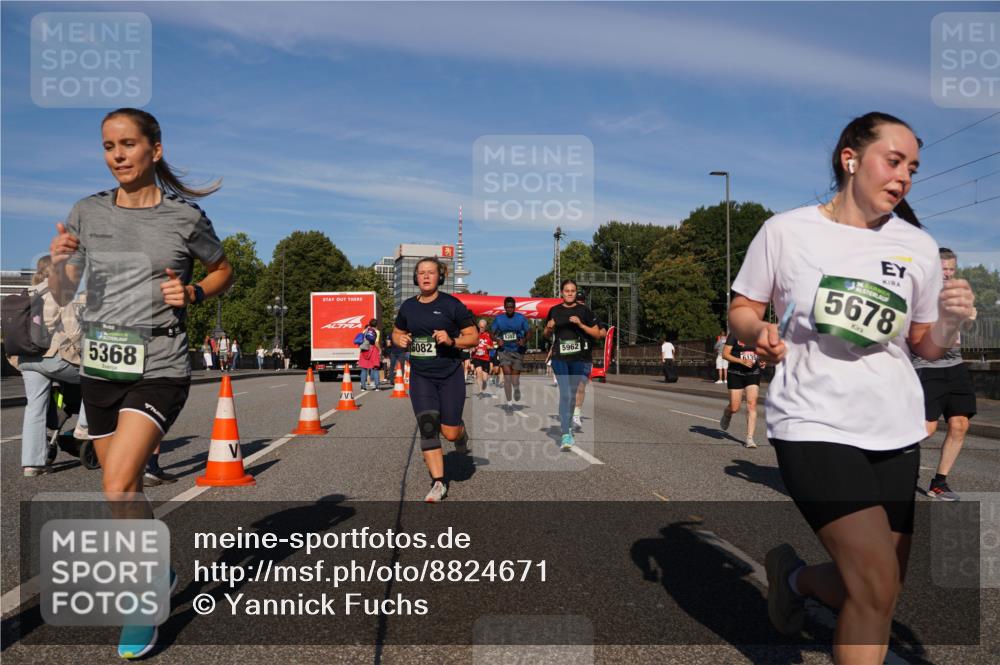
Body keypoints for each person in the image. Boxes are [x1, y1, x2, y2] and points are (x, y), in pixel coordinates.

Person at [728, 112, 974, 664]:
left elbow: (922, 345)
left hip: (892, 425)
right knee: (874, 585)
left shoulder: (916, 245)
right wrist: (759, 331)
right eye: (894, 161)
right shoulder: (786, 230)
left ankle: (796, 582)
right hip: (812, 420)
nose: (904, 176)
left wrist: (951, 323)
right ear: (851, 159)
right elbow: (743, 307)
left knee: (881, 589)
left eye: (912, 167)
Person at [48, 107, 233, 659]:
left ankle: (143, 599)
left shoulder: (184, 218)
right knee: (120, 492)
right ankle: (160, 569)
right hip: (101, 363)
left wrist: (194, 293)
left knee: (117, 482)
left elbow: (222, 269)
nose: (117, 155)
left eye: (128, 144)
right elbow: (61, 293)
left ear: (155, 148)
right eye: (108, 146)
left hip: (160, 362)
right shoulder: (84, 212)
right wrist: (59, 263)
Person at [392, 257, 476, 502]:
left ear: (440, 276)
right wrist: (400, 340)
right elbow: (396, 332)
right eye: (421, 273)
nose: (426, 276)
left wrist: (452, 341)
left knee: (449, 433)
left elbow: (473, 337)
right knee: (428, 425)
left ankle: (460, 434)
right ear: (415, 278)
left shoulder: (452, 305)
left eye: (431, 272)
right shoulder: (408, 307)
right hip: (421, 375)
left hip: (449, 374)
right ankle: (438, 483)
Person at [10, 256, 90, 476]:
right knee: (95, 380)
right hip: (53, 359)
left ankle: (32, 464)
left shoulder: (26, 293)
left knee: (34, 408)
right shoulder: (60, 292)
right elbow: (74, 333)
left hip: (27, 360)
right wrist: (87, 357)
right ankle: (84, 428)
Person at [912, 247, 978, 501]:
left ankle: (939, 483)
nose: (947, 274)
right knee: (926, 429)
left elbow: (969, 324)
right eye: (943, 269)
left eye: (951, 269)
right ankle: (898, 470)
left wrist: (969, 316)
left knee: (960, 424)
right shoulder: (921, 294)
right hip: (927, 364)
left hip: (955, 364)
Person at [544, 279, 603, 450]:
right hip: (560, 357)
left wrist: (581, 324)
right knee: (565, 394)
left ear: (576, 292)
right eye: (567, 290)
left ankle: (568, 426)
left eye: (573, 290)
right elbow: (546, 335)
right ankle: (565, 434)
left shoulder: (584, 311)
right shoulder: (554, 310)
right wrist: (548, 327)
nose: (570, 293)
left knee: (572, 393)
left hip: (578, 358)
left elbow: (598, 334)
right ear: (561, 292)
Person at [718, 330, 764, 448]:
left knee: (752, 404)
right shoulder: (734, 335)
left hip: (753, 372)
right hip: (735, 373)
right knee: (735, 406)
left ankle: (749, 438)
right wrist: (741, 361)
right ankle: (728, 413)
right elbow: (725, 354)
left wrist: (763, 360)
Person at [491, 297, 530, 412]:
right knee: (507, 375)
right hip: (504, 351)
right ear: (504, 307)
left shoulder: (521, 318)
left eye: (511, 307)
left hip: (518, 350)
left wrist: (525, 340)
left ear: (514, 307)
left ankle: (516, 388)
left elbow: (529, 332)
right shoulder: (499, 319)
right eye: (507, 307)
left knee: (514, 379)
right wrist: (497, 340)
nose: (509, 309)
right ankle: (509, 404)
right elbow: (492, 333)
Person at [470, 318, 495, 397]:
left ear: (485, 327)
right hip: (476, 357)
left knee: (485, 379)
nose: (482, 329)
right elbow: (470, 345)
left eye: (483, 327)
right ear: (478, 326)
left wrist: (489, 347)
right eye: (480, 327)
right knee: (479, 372)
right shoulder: (475, 334)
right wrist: (472, 348)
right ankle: (480, 391)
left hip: (486, 358)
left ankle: (483, 386)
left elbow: (492, 346)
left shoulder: (488, 336)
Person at [357, 319, 381, 390]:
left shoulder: (365, 331)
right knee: (375, 368)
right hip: (373, 350)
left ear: (369, 324)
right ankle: (377, 387)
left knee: (364, 369)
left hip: (364, 350)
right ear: (376, 325)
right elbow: (376, 343)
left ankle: (363, 387)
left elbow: (361, 340)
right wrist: (380, 350)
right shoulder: (377, 331)